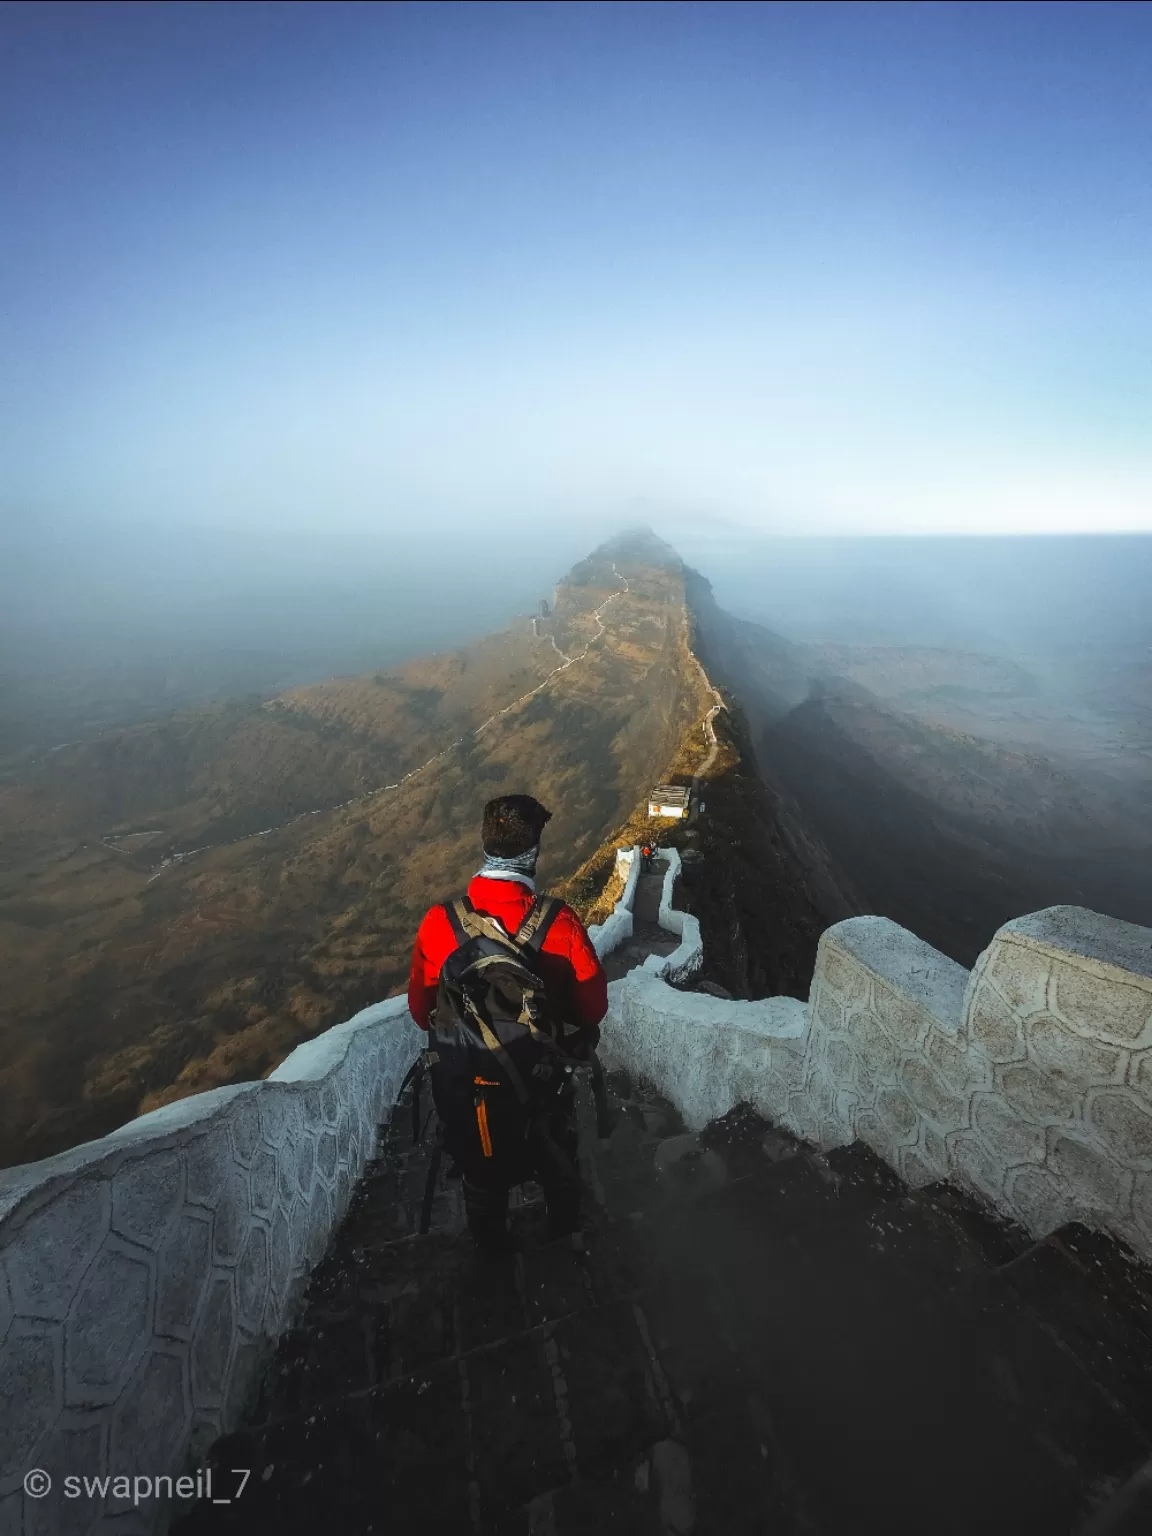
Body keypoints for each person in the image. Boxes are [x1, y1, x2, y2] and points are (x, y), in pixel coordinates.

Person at [407, 794, 608, 1253]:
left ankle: (491, 1257)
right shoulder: (560, 924)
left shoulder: (440, 924)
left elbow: (422, 1014)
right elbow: (593, 1010)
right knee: (557, 1156)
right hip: (542, 1087)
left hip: (471, 1093)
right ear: (533, 852)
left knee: (482, 1174)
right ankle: (566, 1240)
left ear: (484, 844)